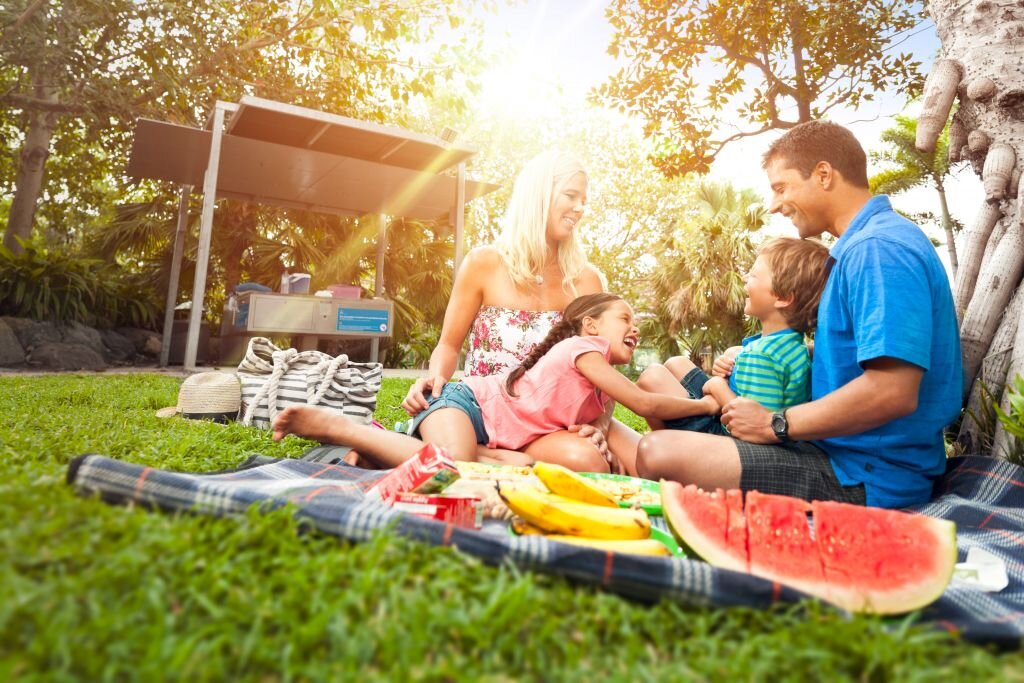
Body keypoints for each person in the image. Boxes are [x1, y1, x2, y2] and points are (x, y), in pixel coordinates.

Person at [636, 120, 963, 509]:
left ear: (823, 174)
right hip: (839, 453)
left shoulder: (877, 249)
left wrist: (776, 424)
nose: (775, 205)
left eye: (781, 187)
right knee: (639, 431)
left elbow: (892, 391)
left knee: (659, 452)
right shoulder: (864, 247)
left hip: (868, 474)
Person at [400, 150, 639, 473]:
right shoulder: (483, 263)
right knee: (587, 463)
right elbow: (448, 345)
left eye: (584, 200)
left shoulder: (587, 279)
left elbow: (604, 375)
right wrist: (434, 381)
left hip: (553, 421)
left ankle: (491, 458)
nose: (580, 208)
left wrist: (601, 425)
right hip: (484, 410)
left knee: (639, 460)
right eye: (571, 195)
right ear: (539, 194)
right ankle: (477, 448)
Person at [273, 294, 714, 469]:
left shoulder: (601, 381)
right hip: (467, 405)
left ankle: (383, 452)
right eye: (625, 319)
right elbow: (646, 405)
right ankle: (347, 429)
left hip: (508, 439)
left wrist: (598, 430)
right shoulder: (584, 350)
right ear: (591, 326)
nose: (635, 328)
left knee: (467, 463)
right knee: (452, 462)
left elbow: (613, 409)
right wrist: (706, 404)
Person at [635, 237, 830, 441]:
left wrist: (719, 388)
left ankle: (672, 452)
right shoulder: (790, 344)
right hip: (728, 408)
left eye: (754, 275)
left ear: (782, 298)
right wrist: (730, 369)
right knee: (676, 362)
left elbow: (751, 427)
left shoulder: (764, 356)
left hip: (728, 437)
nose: (745, 278)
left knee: (652, 377)